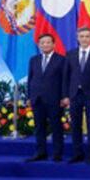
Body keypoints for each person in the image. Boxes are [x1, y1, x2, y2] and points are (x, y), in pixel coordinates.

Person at [64, 27, 90, 164]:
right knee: (76, 125)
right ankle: (77, 153)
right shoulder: (70, 54)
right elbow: (66, 76)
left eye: (87, 36)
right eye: (82, 36)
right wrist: (66, 95)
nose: (84, 39)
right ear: (77, 38)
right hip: (74, 95)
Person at [25, 34, 65, 162]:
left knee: (56, 127)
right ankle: (40, 153)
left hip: (55, 99)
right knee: (39, 127)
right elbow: (30, 79)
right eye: (42, 43)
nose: (45, 45)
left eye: (48, 42)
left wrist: (64, 97)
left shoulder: (61, 59)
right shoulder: (34, 59)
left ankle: (57, 154)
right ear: (39, 45)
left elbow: (65, 80)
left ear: (54, 44)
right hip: (37, 98)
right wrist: (29, 96)